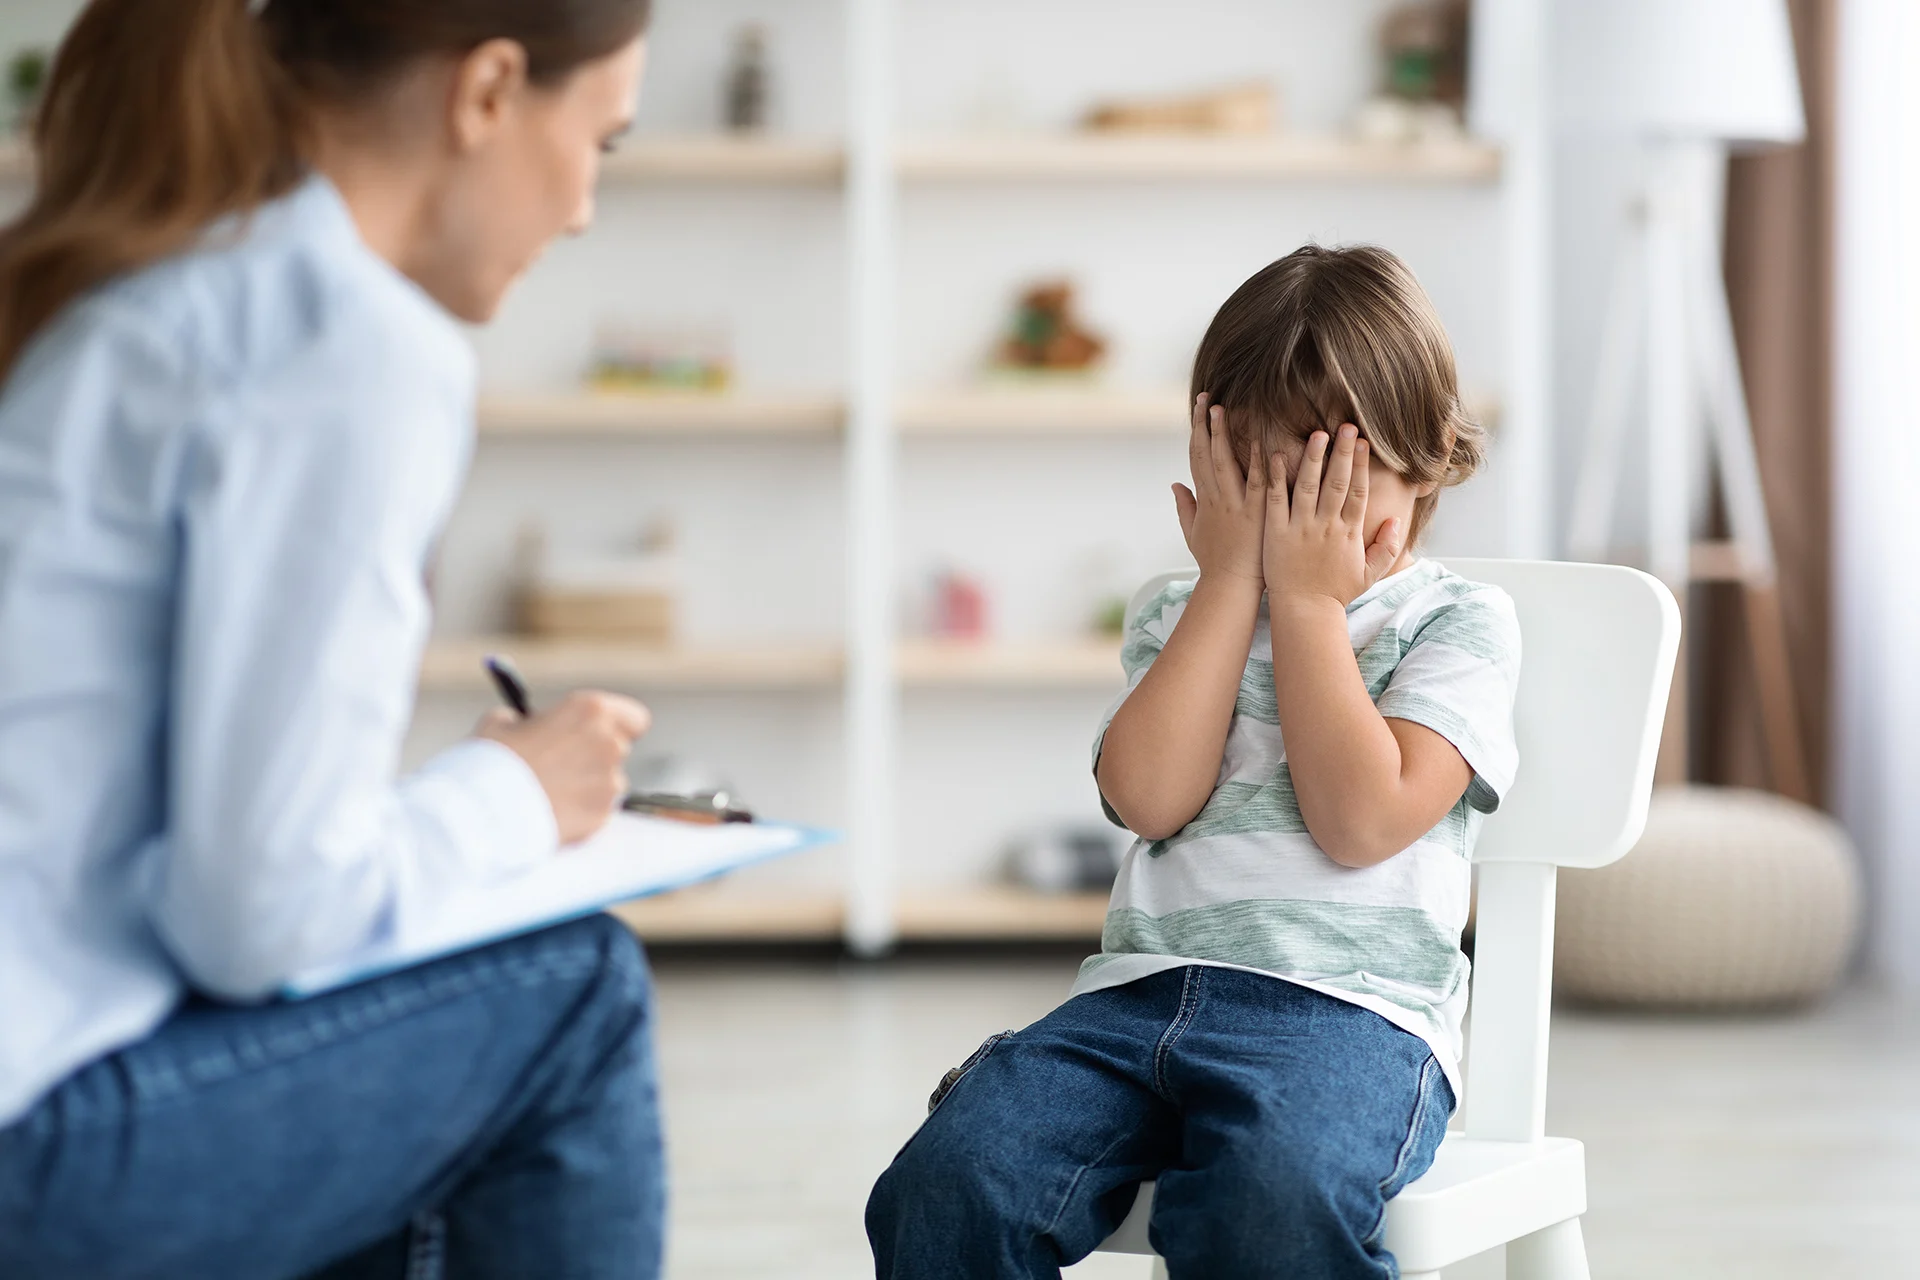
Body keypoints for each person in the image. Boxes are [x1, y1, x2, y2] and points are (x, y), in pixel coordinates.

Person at [0, 1, 664, 1276]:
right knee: (574, 985)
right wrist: (512, 793)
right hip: (32, 1134)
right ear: (487, 91)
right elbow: (258, 916)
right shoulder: (348, 340)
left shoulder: (143, 283)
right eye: (601, 141)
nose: (584, 207)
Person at [866, 245, 1523, 1279]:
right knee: (953, 1178)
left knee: (1268, 1199)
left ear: (1426, 461)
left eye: (1334, 485)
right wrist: (1227, 587)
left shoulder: (1457, 622)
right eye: (1263, 483)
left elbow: (1361, 821)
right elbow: (1148, 798)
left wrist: (1305, 605)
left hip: (1352, 1016)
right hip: (1135, 1001)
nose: (1297, 524)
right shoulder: (1179, 613)